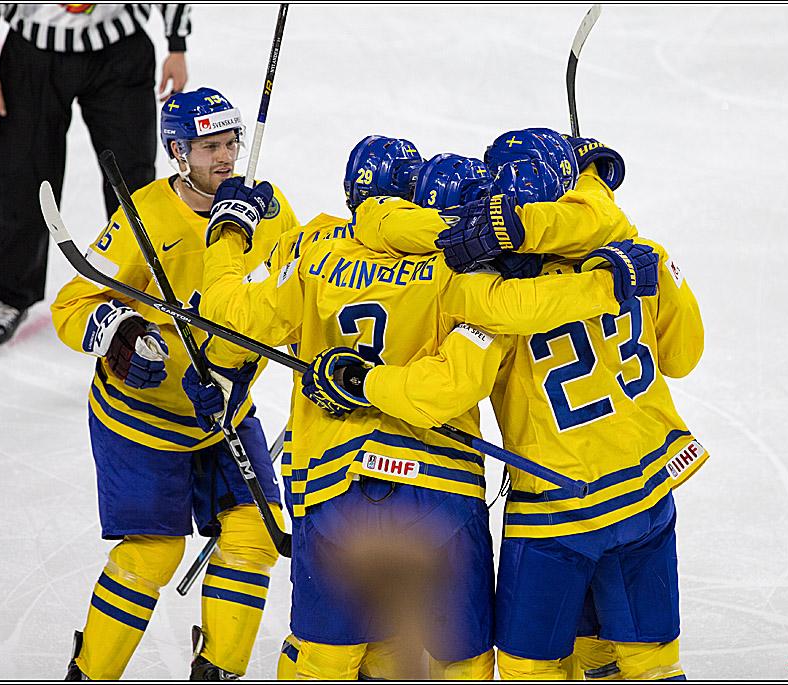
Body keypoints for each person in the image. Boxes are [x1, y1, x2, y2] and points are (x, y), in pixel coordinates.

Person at [186, 135, 650, 679]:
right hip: (440, 492)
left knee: (325, 658)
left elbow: (221, 318)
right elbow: (506, 323)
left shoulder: (313, 250)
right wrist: (610, 280)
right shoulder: (462, 259)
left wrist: (231, 233)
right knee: (463, 662)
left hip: (332, 488)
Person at [312, 132, 708, 680]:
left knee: (530, 669)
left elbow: (440, 392)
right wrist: (660, 273)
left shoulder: (484, 297)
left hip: (557, 508)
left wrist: (367, 383)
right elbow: (685, 355)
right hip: (648, 496)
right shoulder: (639, 255)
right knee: (649, 662)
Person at [50, 87, 299, 680]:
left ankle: (217, 671)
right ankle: (90, 674)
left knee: (255, 536)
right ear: (178, 153)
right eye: (209, 146)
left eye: (230, 143)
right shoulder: (146, 215)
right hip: (141, 421)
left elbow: (298, 289)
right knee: (152, 553)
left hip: (225, 418)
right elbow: (73, 302)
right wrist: (121, 333)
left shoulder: (268, 209)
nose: (225, 158)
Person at [0, 3, 191, 357]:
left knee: (134, 186)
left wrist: (176, 44)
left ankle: (137, 296)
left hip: (121, 49)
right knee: (22, 180)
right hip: (31, 55)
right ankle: (14, 295)